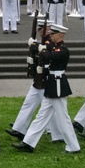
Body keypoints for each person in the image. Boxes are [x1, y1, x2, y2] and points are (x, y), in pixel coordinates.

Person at [13, 23, 80, 154]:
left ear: (60, 35)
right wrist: (36, 46)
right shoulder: (53, 47)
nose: (51, 35)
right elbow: (46, 52)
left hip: (58, 85)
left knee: (63, 118)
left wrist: (38, 46)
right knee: (41, 116)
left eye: (53, 34)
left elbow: (48, 56)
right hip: (51, 85)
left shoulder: (63, 50)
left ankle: (73, 146)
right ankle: (28, 142)